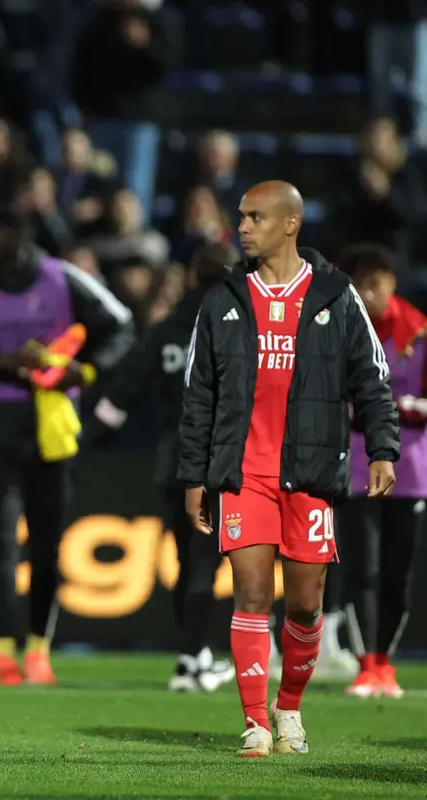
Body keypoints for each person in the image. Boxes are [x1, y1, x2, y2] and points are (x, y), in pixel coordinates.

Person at [179, 180, 399, 758]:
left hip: (311, 472)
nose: (243, 227)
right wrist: (194, 475)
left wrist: (382, 448)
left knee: (305, 603)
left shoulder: (334, 295)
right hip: (244, 472)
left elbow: (372, 379)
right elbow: (198, 392)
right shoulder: (224, 298)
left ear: (290, 224)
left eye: (255, 217)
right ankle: (254, 721)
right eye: (241, 217)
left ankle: (290, 709)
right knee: (251, 592)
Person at [0, 206, 134, 687]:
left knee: (46, 542)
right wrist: (2, 362)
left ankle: (38, 648)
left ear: (17, 235)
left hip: (53, 425)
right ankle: (1, 651)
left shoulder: (63, 278)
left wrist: (88, 370)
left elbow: (122, 325)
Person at [92, 241, 238, 692]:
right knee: (206, 565)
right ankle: (197, 656)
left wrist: (87, 443)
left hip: (171, 460)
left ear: (193, 278)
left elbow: (124, 393)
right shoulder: (236, 329)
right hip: (220, 459)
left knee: (184, 559)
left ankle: (190, 656)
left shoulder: (169, 328)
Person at [336, 243, 424, 700]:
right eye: (359, 283)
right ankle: (364, 664)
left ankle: (385, 663)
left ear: (392, 282)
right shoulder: (342, 332)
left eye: (375, 282)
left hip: (410, 472)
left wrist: (400, 407)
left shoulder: (421, 334)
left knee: (397, 572)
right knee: (362, 569)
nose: (367, 292)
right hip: (356, 469)